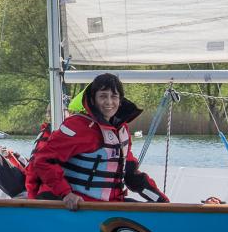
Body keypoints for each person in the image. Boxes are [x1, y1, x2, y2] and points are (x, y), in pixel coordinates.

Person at [26, 73, 169, 210]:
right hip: (79, 207)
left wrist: (160, 201)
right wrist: (66, 193)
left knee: (151, 214)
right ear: (93, 99)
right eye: (103, 96)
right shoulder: (77, 126)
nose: (109, 102)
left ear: (120, 101)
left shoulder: (122, 131)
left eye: (114, 96)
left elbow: (131, 174)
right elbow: (42, 160)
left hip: (109, 206)